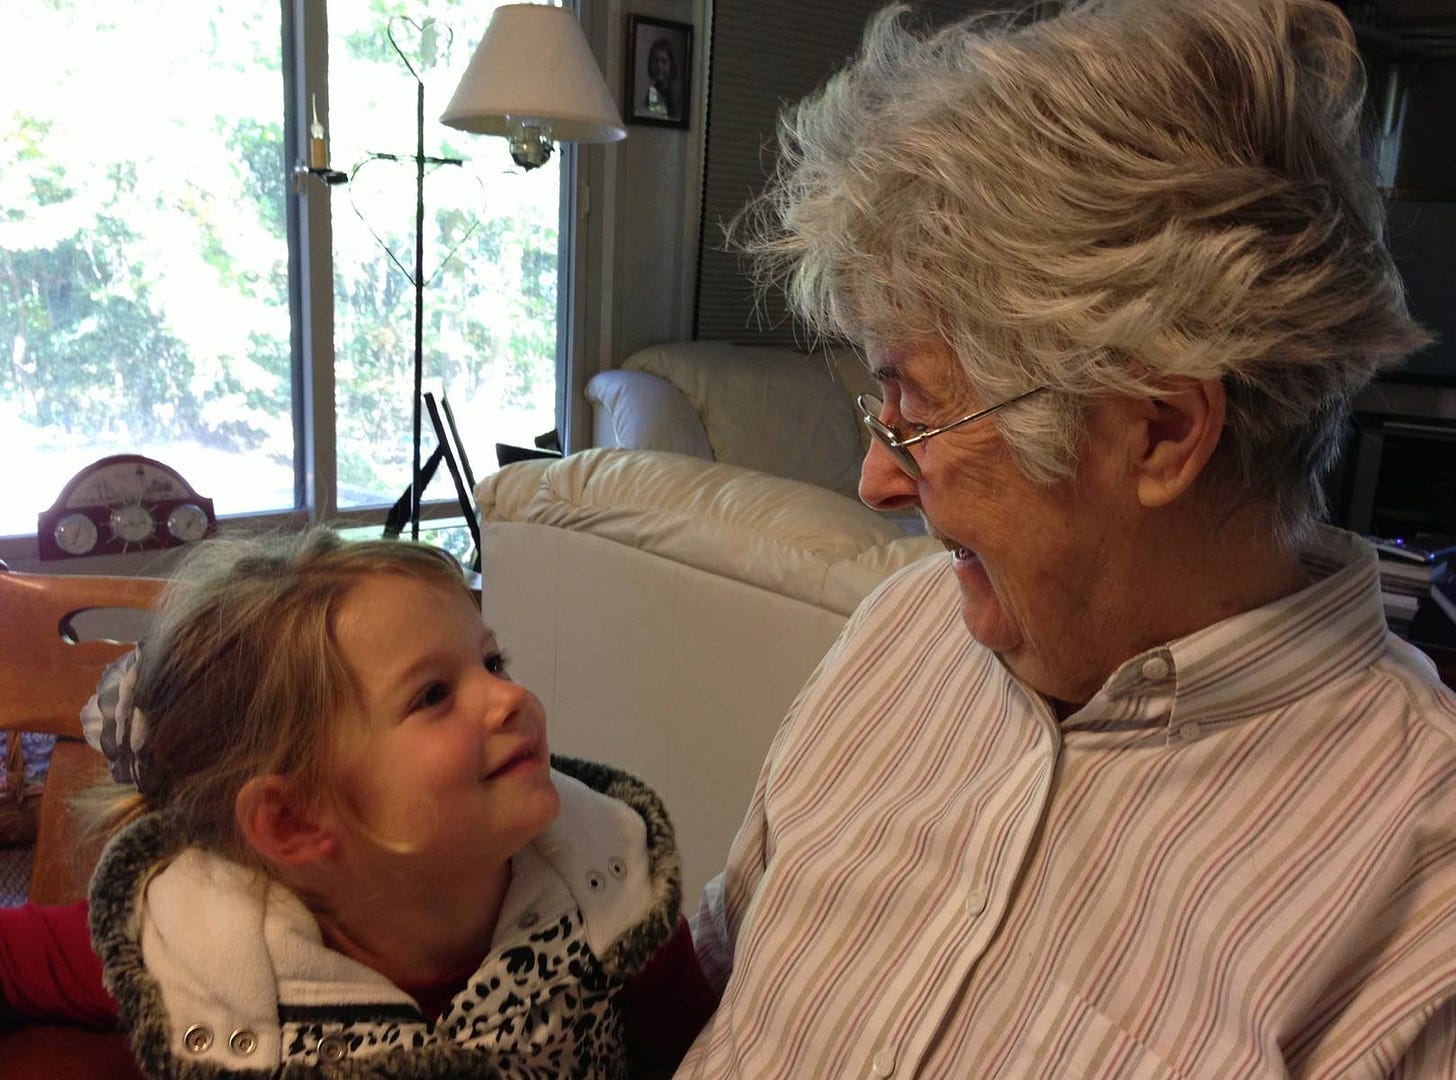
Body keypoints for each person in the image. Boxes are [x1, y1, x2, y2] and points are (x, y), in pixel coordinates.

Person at [679, 0, 1456, 1076]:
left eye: (920, 409)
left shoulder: (1421, 902)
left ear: (1159, 432)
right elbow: (716, 983)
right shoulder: (903, 631)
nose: (875, 479)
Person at [0, 528, 714, 1078]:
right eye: (433, 694)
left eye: (492, 661)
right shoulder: (190, 937)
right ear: (294, 821)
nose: (511, 697)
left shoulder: (607, 881)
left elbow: (702, 1056)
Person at [644, 37, 679, 120]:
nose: (659, 66)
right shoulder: (653, 92)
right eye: (656, 60)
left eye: (664, 61)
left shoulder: (674, 96)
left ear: (671, 65)